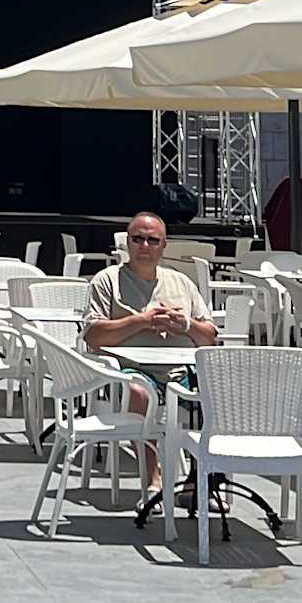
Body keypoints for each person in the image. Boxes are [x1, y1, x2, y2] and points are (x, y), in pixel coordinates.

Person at [83, 210, 217, 493]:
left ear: (164, 245)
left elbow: (209, 337)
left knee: (219, 390)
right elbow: (94, 336)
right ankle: (152, 478)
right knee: (139, 392)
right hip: (130, 372)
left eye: (152, 240)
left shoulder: (181, 282)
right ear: (127, 242)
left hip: (181, 372)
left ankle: (201, 483)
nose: (145, 246)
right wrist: (141, 321)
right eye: (138, 239)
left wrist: (185, 325)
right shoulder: (107, 280)